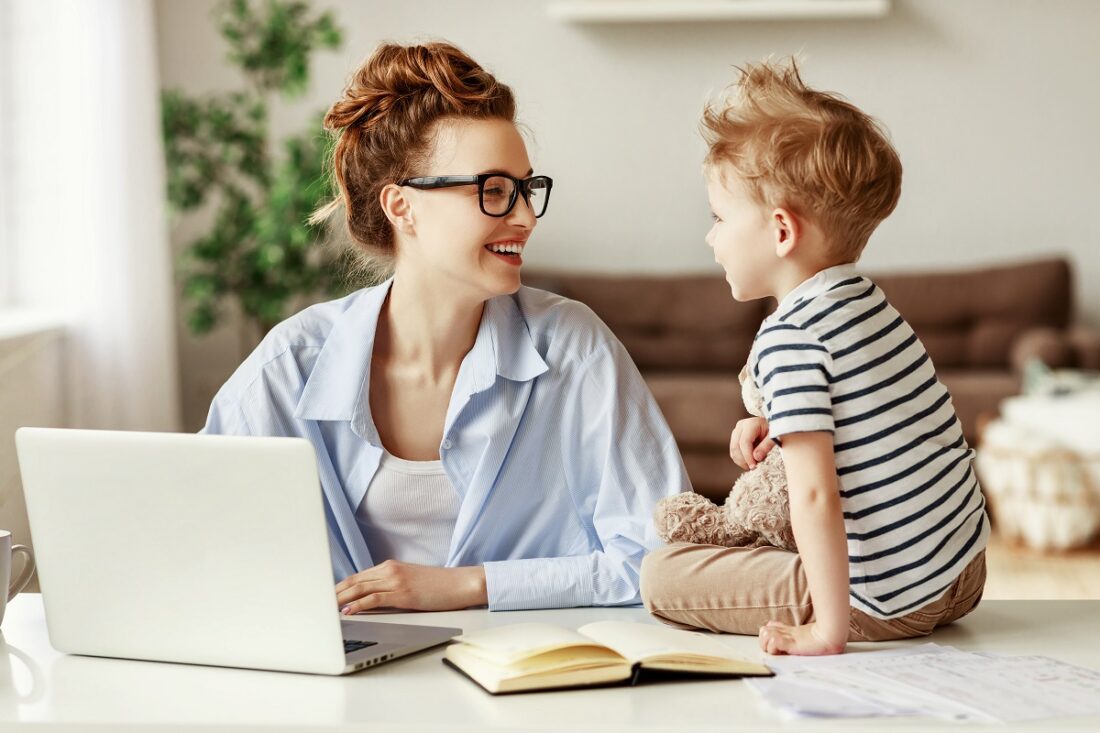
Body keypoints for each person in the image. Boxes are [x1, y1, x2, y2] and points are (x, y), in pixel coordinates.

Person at [201, 41, 690, 614]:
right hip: (343, 688)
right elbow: (205, 553)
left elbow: (662, 560)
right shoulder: (287, 368)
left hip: (534, 684)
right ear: (401, 207)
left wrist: (467, 586)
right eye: (493, 190)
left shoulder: (574, 349)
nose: (526, 217)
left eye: (526, 189)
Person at [640, 59, 989, 655]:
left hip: (890, 597)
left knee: (662, 576)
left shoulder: (790, 336)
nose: (710, 238)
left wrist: (827, 629)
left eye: (718, 218)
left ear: (780, 232)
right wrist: (775, 423)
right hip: (962, 569)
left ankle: (835, 609)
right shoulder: (867, 302)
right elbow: (871, 419)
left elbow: (814, 496)